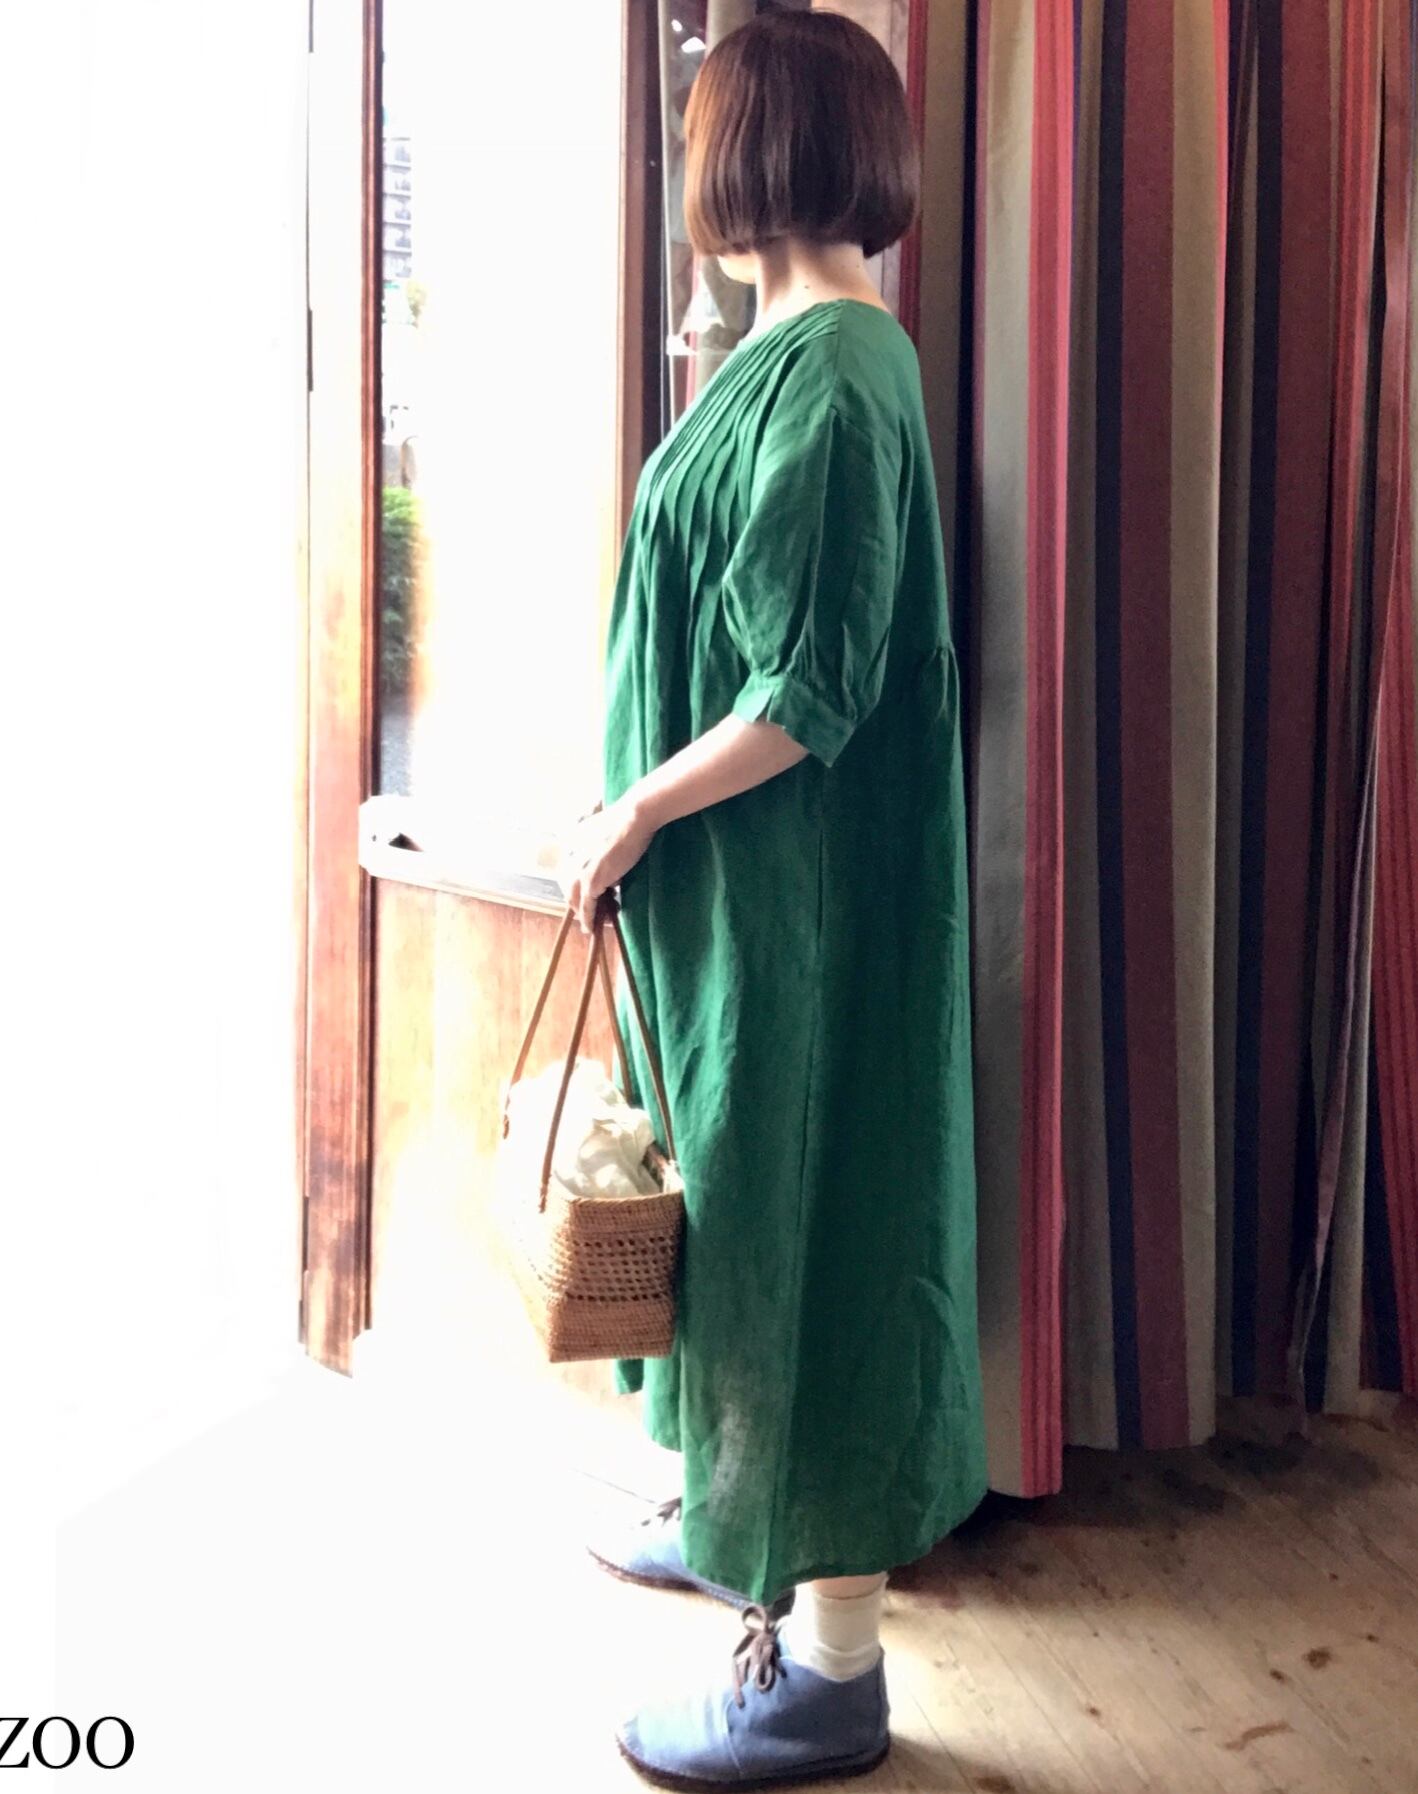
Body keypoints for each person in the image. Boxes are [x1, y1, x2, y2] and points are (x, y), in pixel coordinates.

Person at [557, 13, 988, 1787]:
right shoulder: (792, 351)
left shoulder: (835, 376)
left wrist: (630, 811)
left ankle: (827, 1670)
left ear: (744, 154)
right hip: (740, 906)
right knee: (738, 1216)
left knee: (810, 1229)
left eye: (699, 137)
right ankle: (735, 1500)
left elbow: (805, 695)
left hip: (788, 912)